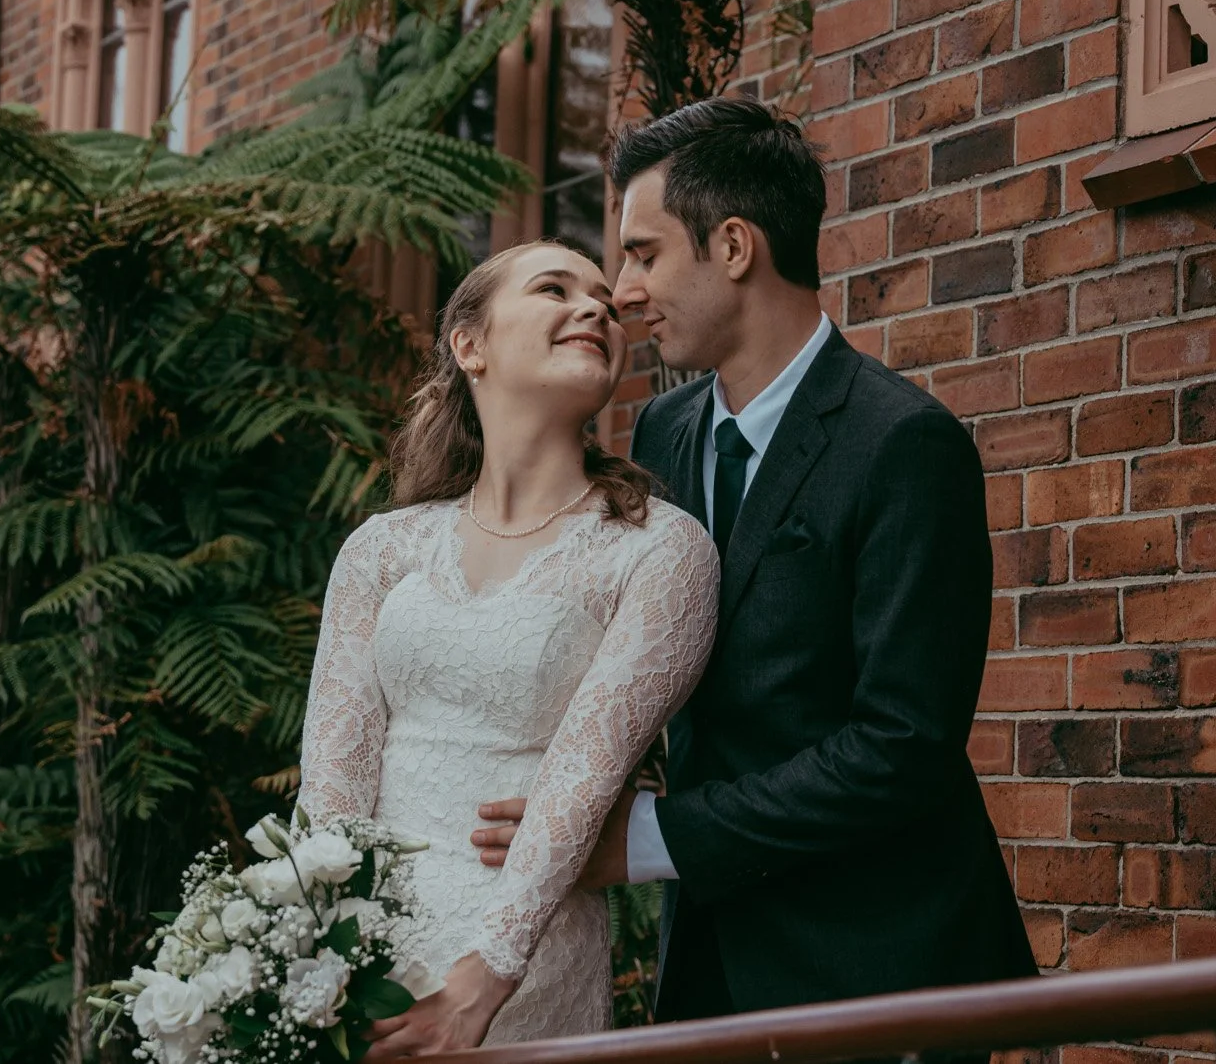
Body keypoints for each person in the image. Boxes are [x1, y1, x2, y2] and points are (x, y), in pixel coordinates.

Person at [470, 97, 1035, 1020]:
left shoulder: (904, 444)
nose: (621, 289)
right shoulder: (663, 426)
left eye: (644, 253)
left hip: (883, 965)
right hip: (713, 962)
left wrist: (649, 837)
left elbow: (902, 747)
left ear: (734, 246)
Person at [296, 241, 720, 1053]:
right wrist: (316, 958)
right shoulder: (383, 549)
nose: (595, 307)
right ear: (470, 344)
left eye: (602, 297)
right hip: (358, 963)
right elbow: (332, 786)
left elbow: (584, 778)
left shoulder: (657, 550)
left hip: (522, 962)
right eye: (554, 289)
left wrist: (485, 977)